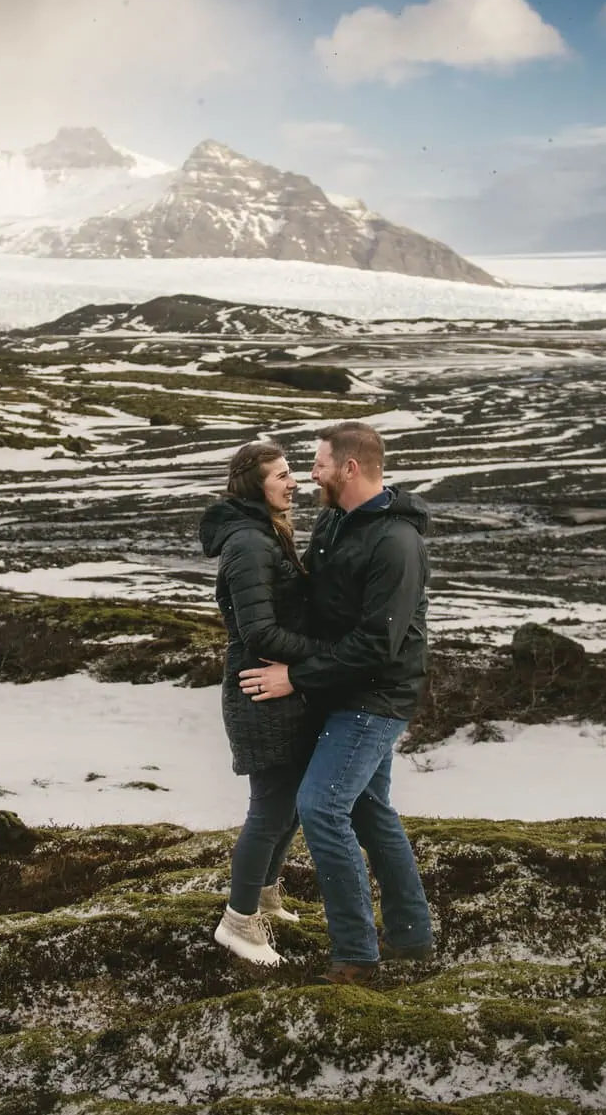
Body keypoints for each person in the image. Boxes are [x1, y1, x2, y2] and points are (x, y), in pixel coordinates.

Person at [238, 420, 435, 984]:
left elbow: (378, 644)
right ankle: (411, 937)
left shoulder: (396, 542)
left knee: (322, 807)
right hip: (339, 688)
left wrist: (296, 676)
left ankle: (356, 956)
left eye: (319, 463)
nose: (310, 474)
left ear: (350, 466)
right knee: (372, 813)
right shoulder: (335, 522)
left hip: (374, 695)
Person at [199, 441, 329, 966]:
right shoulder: (251, 544)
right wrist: (323, 654)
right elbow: (257, 630)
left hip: (278, 687)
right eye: (281, 475)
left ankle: (268, 897)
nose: (293, 481)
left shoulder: (265, 532)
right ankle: (237, 922)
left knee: (289, 805)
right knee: (270, 807)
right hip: (261, 689)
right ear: (255, 486)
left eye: (292, 471)